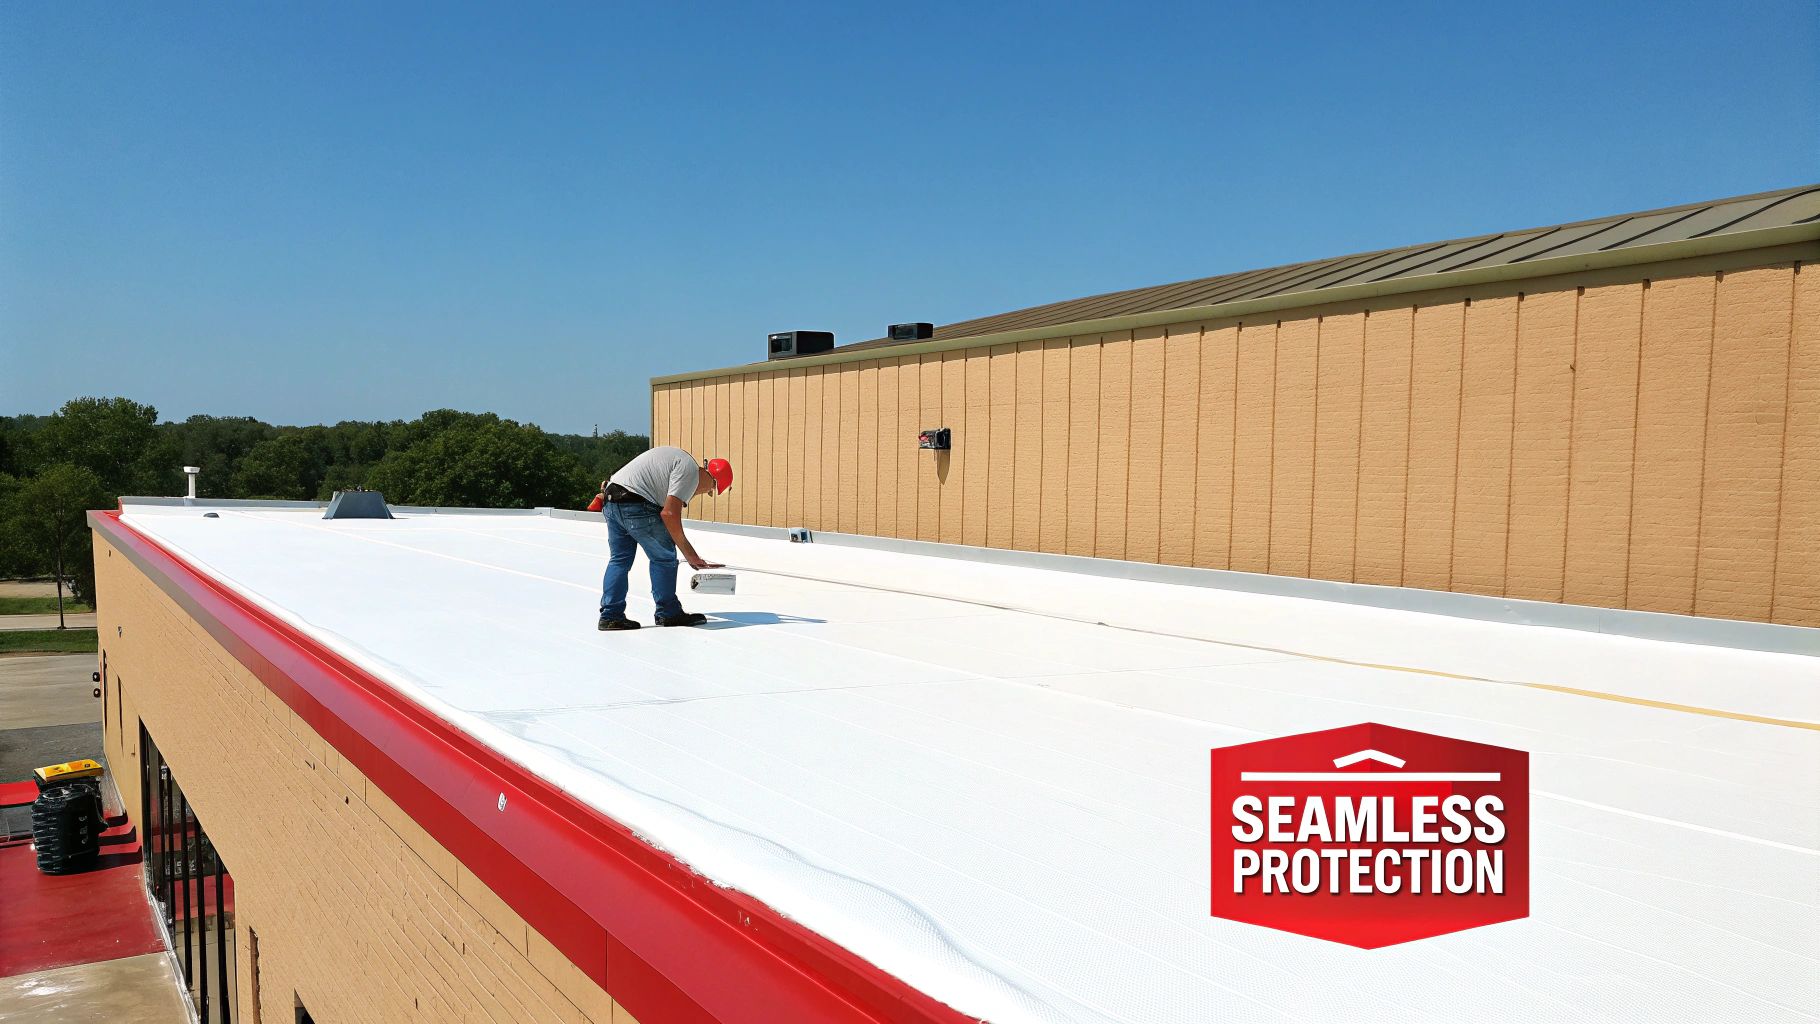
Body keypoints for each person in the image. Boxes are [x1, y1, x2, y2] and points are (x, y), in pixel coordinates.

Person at [596, 446, 732, 630]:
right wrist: (690, 554)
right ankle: (668, 613)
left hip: (612, 501)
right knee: (664, 558)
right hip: (636, 504)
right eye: (712, 490)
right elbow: (668, 514)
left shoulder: (678, 462)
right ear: (712, 480)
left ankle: (610, 616)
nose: (706, 493)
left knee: (619, 560)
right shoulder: (690, 471)